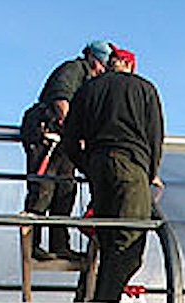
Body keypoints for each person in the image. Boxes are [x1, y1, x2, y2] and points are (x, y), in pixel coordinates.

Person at [62, 46, 164, 303]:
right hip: (130, 168)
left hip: (98, 168)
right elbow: (154, 136)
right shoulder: (144, 89)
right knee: (130, 250)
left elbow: (70, 138)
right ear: (130, 66)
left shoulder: (88, 89)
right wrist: (150, 173)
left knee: (108, 244)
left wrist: (87, 166)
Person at [19, 40, 114, 262]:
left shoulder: (90, 81)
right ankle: (32, 245)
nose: (102, 68)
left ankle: (59, 245)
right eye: (101, 63)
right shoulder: (73, 69)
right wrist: (74, 129)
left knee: (65, 190)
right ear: (92, 57)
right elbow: (61, 101)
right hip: (47, 137)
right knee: (42, 190)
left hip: (65, 142)